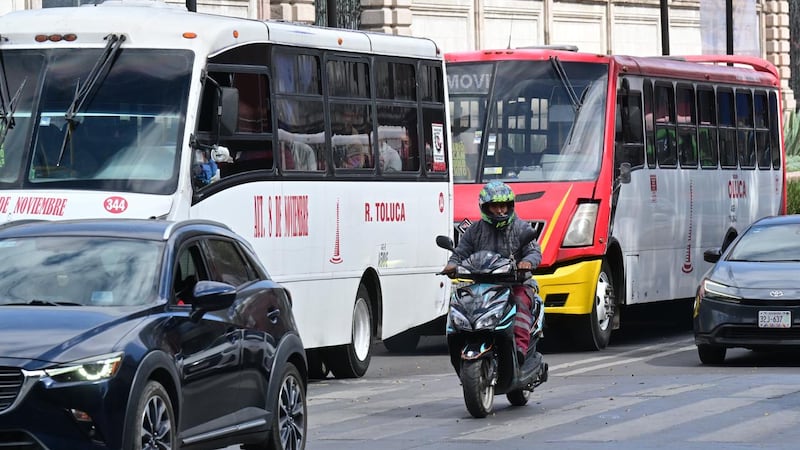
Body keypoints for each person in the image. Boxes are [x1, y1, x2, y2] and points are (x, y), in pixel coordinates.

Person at [441, 180, 542, 364]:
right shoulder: (474, 230)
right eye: (495, 206)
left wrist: (527, 262)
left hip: (515, 284)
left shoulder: (520, 227)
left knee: (520, 302)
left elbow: (534, 251)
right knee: (461, 303)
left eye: (503, 206)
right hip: (482, 285)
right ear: (485, 207)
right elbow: (461, 252)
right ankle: (462, 344)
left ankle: (519, 349)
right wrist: (452, 265)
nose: (500, 210)